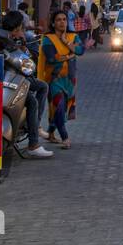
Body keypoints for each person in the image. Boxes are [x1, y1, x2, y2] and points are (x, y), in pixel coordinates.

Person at [0, 10, 53, 159]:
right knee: (32, 101)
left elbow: (25, 58)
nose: (21, 30)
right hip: (8, 81)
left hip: (18, 77)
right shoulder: (2, 39)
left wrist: (22, 46)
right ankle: (33, 143)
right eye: (20, 28)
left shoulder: (14, 39)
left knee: (42, 86)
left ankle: (34, 125)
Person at [38, 10, 83, 149]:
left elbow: (81, 51)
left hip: (69, 80)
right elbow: (53, 59)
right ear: (53, 23)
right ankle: (65, 138)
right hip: (54, 79)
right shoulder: (48, 39)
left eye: (64, 19)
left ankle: (51, 133)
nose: (62, 22)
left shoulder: (72, 36)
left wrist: (65, 42)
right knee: (59, 106)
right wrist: (71, 54)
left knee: (61, 109)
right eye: (58, 20)